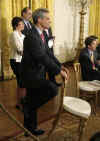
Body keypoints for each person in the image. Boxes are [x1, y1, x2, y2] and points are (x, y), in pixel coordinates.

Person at [21, 8, 68, 136]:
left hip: (38, 73)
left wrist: (60, 65)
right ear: (39, 19)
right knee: (53, 89)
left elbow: (48, 53)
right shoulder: (31, 36)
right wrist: (58, 71)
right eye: (47, 18)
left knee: (32, 99)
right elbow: (41, 57)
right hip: (30, 74)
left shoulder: (43, 34)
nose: (49, 21)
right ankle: (27, 107)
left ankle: (30, 129)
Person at [9, 17, 25, 109]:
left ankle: (21, 101)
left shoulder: (23, 35)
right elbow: (19, 50)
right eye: (21, 24)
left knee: (22, 82)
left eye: (23, 24)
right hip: (16, 60)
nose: (23, 25)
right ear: (16, 26)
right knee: (21, 81)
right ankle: (20, 103)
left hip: (22, 61)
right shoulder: (13, 34)